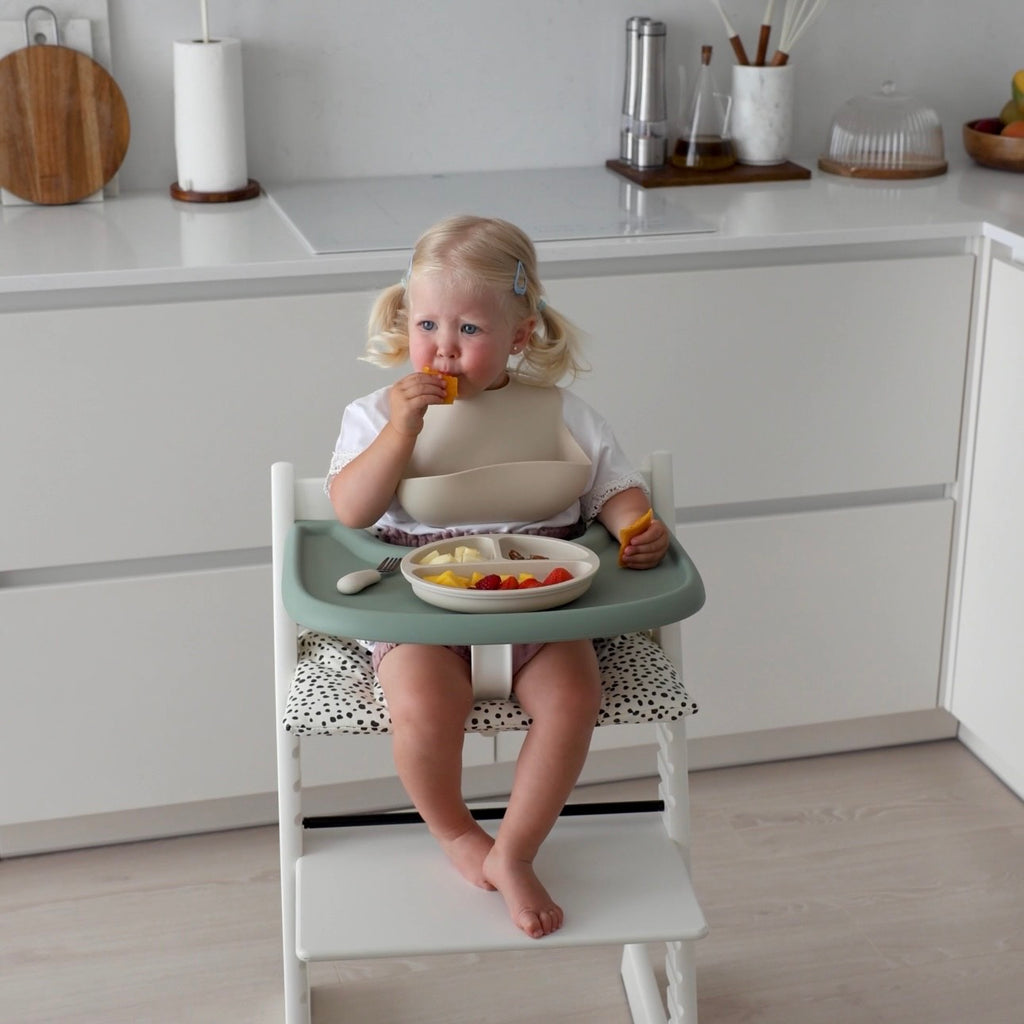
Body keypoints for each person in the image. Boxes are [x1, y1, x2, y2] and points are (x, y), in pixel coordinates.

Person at [326, 215, 670, 939]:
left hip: (541, 607)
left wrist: (637, 527)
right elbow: (352, 510)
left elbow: (613, 489)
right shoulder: (374, 416)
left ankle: (515, 849)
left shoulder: (563, 414)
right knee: (423, 711)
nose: (443, 348)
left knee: (574, 699)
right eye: (426, 324)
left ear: (520, 334)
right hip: (422, 610)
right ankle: (455, 833)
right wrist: (400, 432)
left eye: (470, 330)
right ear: (403, 320)